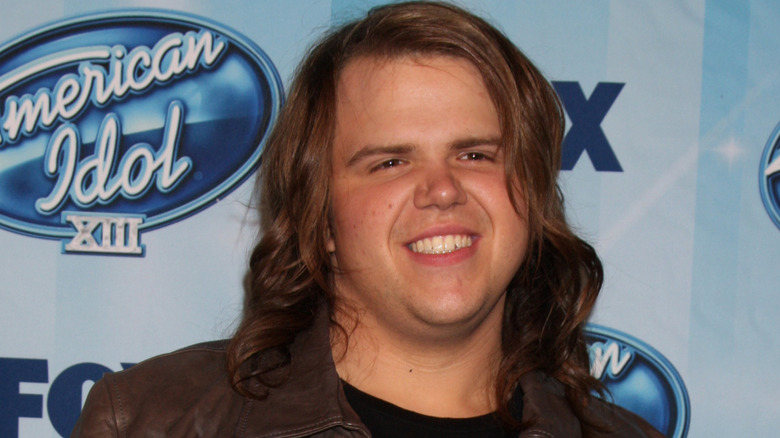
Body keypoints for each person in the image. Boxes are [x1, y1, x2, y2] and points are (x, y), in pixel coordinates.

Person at [72, 2, 663, 437]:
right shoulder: (150, 422)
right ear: (322, 222)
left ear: (532, 198)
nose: (441, 189)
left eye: (476, 153)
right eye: (389, 162)